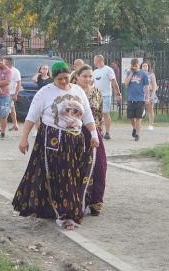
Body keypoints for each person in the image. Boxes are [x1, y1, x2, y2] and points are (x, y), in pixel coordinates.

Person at [12, 61, 99, 230]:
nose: (64, 82)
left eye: (66, 78)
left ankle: (65, 208)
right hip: (53, 141)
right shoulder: (45, 93)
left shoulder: (77, 90)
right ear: (54, 78)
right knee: (62, 177)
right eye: (60, 79)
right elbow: (31, 117)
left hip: (76, 141)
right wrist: (24, 139)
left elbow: (87, 115)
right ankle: (65, 215)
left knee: (75, 175)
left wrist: (94, 134)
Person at [73, 64, 107, 216]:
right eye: (84, 76)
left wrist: (99, 131)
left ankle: (96, 202)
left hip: (94, 133)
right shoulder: (72, 92)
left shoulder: (97, 92)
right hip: (75, 133)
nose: (87, 79)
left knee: (100, 165)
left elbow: (99, 114)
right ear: (77, 77)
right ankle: (76, 201)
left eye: (90, 76)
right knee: (78, 167)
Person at [92, 55, 122, 140]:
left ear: (99, 60)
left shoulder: (108, 70)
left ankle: (108, 132)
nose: (94, 62)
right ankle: (100, 131)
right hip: (96, 95)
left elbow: (114, 82)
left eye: (95, 60)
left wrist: (118, 94)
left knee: (105, 113)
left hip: (106, 95)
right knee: (97, 115)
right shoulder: (94, 72)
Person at [124, 58, 149, 141]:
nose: (134, 67)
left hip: (140, 99)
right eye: (133, 66)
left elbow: (146, 87)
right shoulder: (129, 73)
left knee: (138, 118)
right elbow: (126, 84)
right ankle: (134, 128)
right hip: (131, 98)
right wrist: (131, 73)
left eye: (136, 66)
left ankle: (137, 134)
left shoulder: (143, 74)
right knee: (131, 117)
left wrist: (147, 98)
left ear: (139, 65)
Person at [140, 61, 158, 130]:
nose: (145, 67)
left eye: (146, 66)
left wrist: (152, 95)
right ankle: (139, 124)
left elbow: (154, 86)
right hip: (141, 93)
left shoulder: (151, 75)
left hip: (150, 93)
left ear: (148, 67)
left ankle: (151, 125)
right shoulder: (139, 74)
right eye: (143, 66)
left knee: (150, 109)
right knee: (140, 109)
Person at [6, 57, 21, 131]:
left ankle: (2, 125)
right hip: (5, 93)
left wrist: (16, 94)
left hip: (11, 93)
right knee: (12, 110)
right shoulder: (4, 70)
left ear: (9, 62)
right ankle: (15, 125)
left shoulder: (15, 71)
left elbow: (19, 83)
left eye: (5, 61)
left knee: (6, 109)